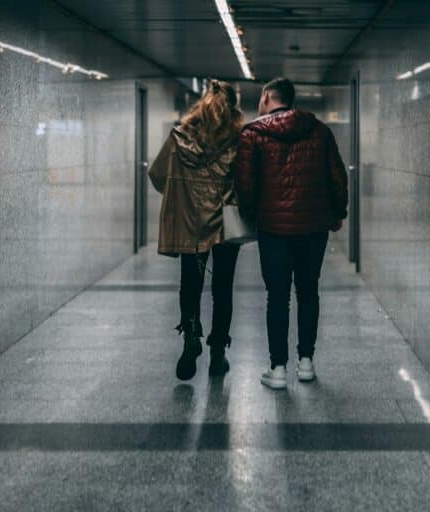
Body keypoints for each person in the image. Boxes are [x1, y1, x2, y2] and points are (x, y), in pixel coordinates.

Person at [234, 77, 348, 389]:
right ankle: (306, 362)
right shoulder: (320, 131)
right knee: (308, 291)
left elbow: (245, 184)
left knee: (278, 296)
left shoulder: (252, 134)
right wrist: (338, 213)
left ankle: (278, 368)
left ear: (267, 97)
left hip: (273, 228)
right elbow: (337, 176)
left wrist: (251, 214)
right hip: (314, 226)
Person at [149, 79, 244, 380]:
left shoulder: (180, 137)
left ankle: (191, 336)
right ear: (233, 108)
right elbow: (248, 182)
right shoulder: (239, 140)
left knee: (190, 283)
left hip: (191, 224)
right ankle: (217, 354)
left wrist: (182, 195)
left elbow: (157, 175)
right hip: (226, 226)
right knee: (223, 289)